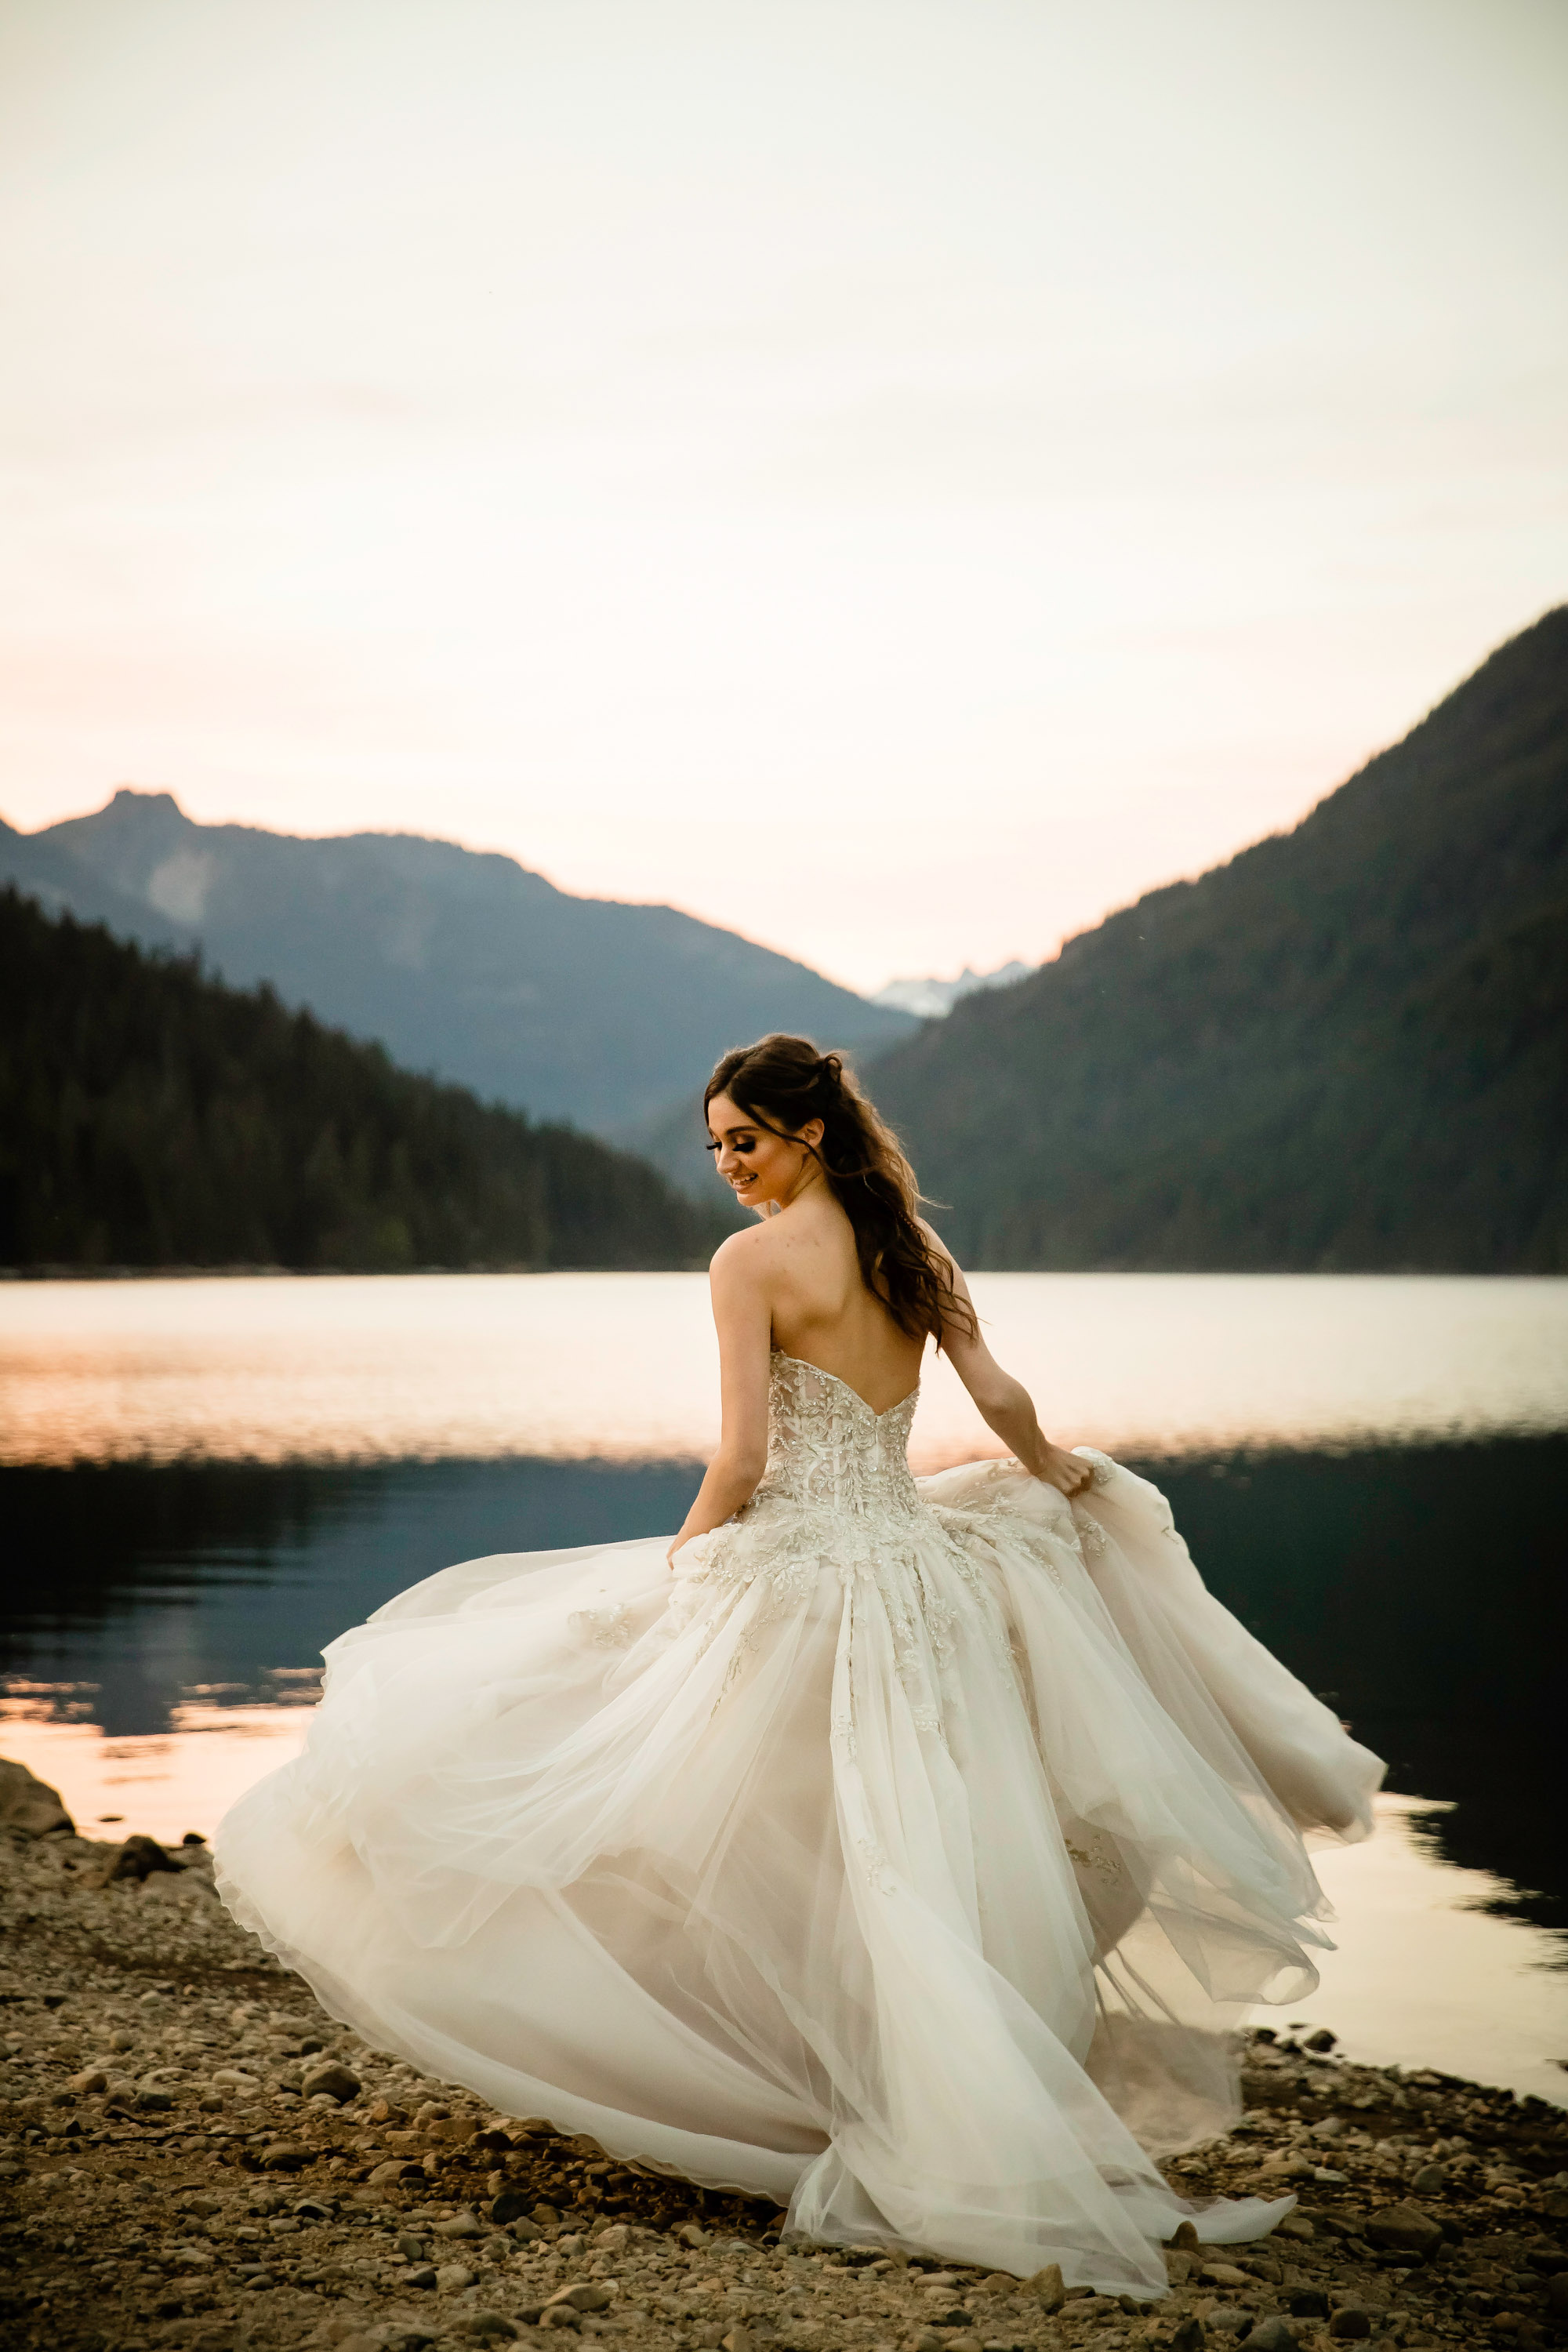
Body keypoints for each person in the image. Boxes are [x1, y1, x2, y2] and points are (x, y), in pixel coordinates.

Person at [214, 1034, 1382, 2294]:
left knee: (739, 1817)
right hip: (920, 1576)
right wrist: (1056, 1479)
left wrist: (686, 1569)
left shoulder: (750, 1263)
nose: (727, 1165)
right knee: (906, 1839)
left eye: (745, 1140)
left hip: (810, 1577)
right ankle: (890, 2090)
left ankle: (810, 2091)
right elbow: (998, 1398)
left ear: (806, 1133)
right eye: (714, 1145)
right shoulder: (911, 1251)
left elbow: (743, 1459)